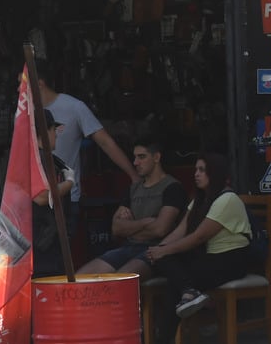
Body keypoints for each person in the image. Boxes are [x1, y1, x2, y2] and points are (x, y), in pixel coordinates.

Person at [140, 153, 252, 344]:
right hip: (208, 257)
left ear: (214, 173)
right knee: (165, 259)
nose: (196, 175)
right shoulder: (200, 199)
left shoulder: (227, 199)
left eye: (202, 170)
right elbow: (181, 230)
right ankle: (188, 292)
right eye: (196, 170)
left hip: (231, 259)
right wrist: (158, 250)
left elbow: (198, 237)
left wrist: (165, 252)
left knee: (173, 275)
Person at [37, 63, 137, 228]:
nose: (19, 89)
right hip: (34, 200)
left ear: (39, 83)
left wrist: (133, 176)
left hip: (66, 200)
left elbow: (105, 142)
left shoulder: (74, 107)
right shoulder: (24, 112)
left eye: (23, 83)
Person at [77, 137, 188, 276]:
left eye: (141, 157)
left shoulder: (172, 187)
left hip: (155, 250)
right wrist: (146, 222)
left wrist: (130, 228)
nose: (135, 162)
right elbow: (116, 229)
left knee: (121, 280)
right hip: (128, 248)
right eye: (134, 157)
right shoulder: (133, 189)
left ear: (156, 157)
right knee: (81, 277)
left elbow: (160, 229)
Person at [31, 110, 76, 279]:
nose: (56, 136)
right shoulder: (37, 158)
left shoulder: (46, 158)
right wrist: (69, 183)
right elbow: (41, 196)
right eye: (53, 131)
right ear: (45, 130)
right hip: (42, 241)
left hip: (46, 241)